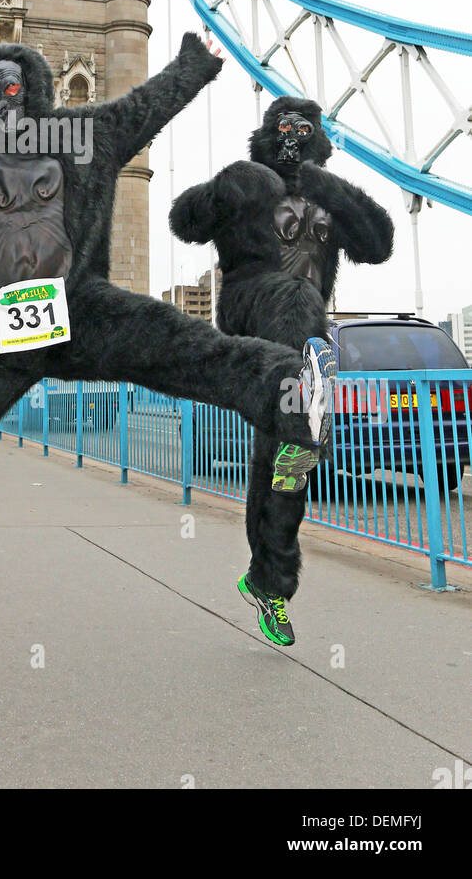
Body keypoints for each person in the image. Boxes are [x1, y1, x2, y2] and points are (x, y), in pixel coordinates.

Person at [0, 37, 334, 628]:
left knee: (189, 348)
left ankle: (291, 386)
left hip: (81, 313)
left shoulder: (83, 136)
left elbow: (150, 103)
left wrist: (197, 64)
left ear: (37, 91)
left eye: (11, 87)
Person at [171, 96, 393, 645]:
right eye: (283, 126)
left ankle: (267, 582)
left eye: (303, 127)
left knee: (285, 458)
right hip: (250, 316)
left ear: (317, 138)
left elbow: (379, 243)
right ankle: (309, 393)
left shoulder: (327, 199)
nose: (292, 134)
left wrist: (327, 186)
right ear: (267, 133)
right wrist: (229, 183)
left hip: (302, 347)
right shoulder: (248, 187)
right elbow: (184, 221)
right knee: (294, 293)